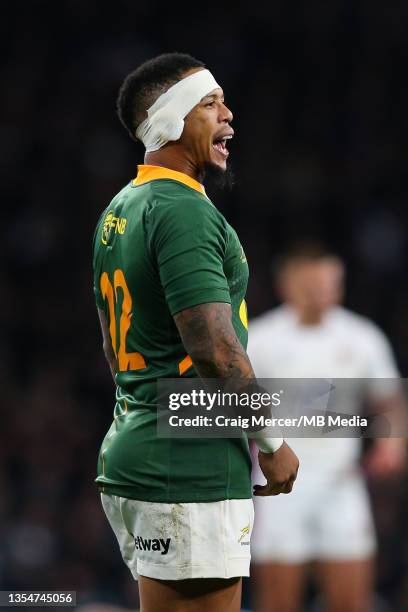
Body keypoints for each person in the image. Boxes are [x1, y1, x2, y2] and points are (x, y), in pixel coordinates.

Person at [92, 52, 299, 612]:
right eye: (210, 104)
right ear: (167, 121)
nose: (228, 115)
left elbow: (116, 351)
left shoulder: (122, 206)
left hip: (142, 447)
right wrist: (272, 446)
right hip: (186, 466)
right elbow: (213, 348)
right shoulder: (182, 210)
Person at [248, 244, 406, 612]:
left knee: (352, 601)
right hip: (279, 488)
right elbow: (235, 405)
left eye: (331, 282)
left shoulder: (361, 336)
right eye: (312, 283)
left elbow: (389, 398)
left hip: (341, 482)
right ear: (288, 285)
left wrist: (392, 445)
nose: (323, 291)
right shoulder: (261, 338)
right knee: (277, 601)